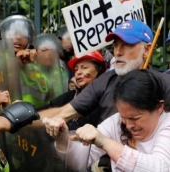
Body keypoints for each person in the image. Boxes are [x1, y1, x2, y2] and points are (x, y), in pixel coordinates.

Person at [37, 20, 170, 124]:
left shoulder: (164, 84)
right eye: (115, 45)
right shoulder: (106, 81)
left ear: (146, 50)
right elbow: (63, 113)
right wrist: (21, 120)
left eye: (127, 45)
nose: (118, 52)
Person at [43, 69, 170, 172]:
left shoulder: (167, 124)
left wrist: (105, 142)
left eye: (134, 118)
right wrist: (63, 140)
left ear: (159, 107)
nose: (129, 125)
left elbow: (160, 167)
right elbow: (78, 163)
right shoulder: (115, 123)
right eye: (123, 117)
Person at [38, 50, 107, 129]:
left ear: (99, 70)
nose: (78, 72)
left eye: (84, 68)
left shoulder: (105, 100)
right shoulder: (71, 95)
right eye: (76, 69)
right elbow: (43, 110)